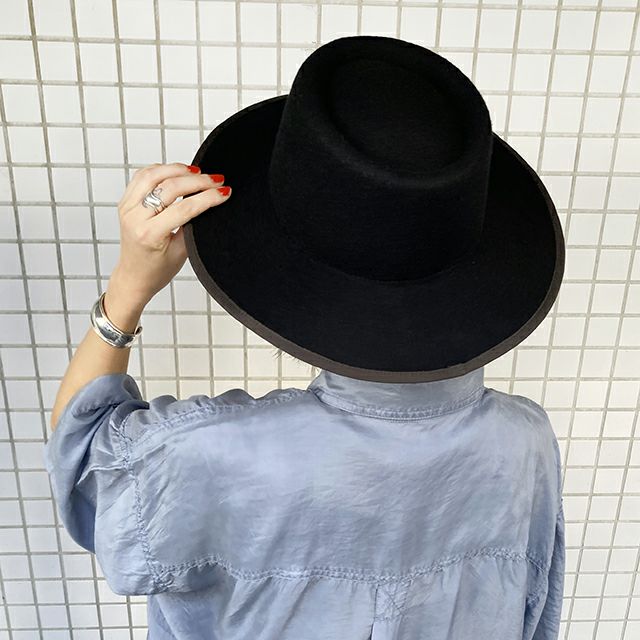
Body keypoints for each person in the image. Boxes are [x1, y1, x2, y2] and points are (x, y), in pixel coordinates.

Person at [45, 36, 565, 639]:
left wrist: (127, 291)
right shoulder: (527, 446)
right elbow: (536, 615)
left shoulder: (206, 456)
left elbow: (81, 464)